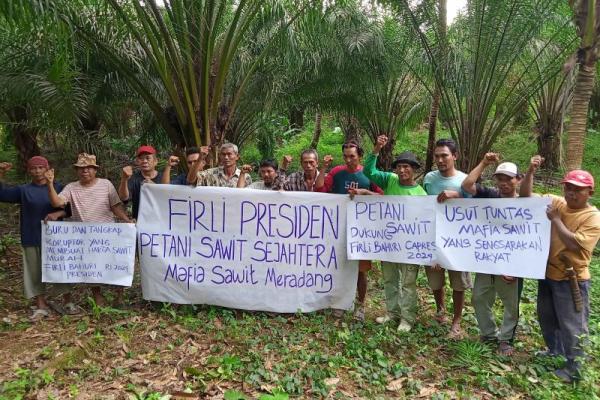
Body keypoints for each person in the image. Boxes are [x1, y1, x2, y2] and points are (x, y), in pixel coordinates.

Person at [521, 166, 600, 382]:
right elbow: (526, 196)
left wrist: (555, 220)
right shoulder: (558, 203)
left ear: (590, 192)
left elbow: (575, 244)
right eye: (568, 188)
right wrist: (530, 172)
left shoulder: (592, 217)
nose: (571, 193)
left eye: (578, 189)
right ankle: (555, 351)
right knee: (547, 317)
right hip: (549, 272)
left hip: (571, 279)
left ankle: (575, 369)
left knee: (572, 324)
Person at [461, 153, 542, 355]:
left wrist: (531, 170)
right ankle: (488, 333)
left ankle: (506, 339)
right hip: (487, 261)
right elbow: (467, 185)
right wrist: (484, 163)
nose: (504, 183)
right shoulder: (490, 195)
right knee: (479, 298)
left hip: (512, 265)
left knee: (511, 305)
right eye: (500, 178)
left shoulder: (525, 203)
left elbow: (527, 235)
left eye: (509, 179)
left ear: (518, 179)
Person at [45, 153, 132, 307]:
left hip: (107, 234)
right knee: (91, 268)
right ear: (77, 171)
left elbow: (115, 206)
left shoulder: (106, 184)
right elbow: (57, 203)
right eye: (81, 168)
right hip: (84, 237)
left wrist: (127, 220)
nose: (85, 171)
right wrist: (50, 183)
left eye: (89, 168)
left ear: (95, 170)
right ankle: (97, 297)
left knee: (116, 264)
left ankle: (119, 297)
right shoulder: (71, 188)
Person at [362, 135, 427, 332]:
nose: (402, 170)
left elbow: (425, 224)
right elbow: (368, 171)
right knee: (390, 280)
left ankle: (407, 319)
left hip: (409, 247)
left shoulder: (421, 194)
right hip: (388, 243)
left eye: (406, 167)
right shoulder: (390, 180)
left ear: (414, 169)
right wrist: (376, 149)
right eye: (399, 167)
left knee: (408, 283)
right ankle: (392, 313)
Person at [315, 141, 383, 321]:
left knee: (361, 269)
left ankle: (361, 304)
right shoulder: (337, 172)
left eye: (352, 156)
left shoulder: (368, 174)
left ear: (360, 156)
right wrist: (324, 167)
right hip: (337, 227)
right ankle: (340, 303)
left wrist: (365, 193)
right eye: (345, 156)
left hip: (362, 229)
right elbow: (320, 189)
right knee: (338, 266)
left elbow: (383, 196)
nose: (348, 160)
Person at [0, 157, 71, 319]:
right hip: (31, 234)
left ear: (48, 169)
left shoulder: (60, 187)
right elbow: (2, 194)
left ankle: (68, 301)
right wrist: (1, 173)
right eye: (33, 168)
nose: (38, 171)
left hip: (56, 238)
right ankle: (40, 304)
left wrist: (58, 213)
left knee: (61, 268)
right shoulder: (24, 190)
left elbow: (69, 209)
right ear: (29, 170)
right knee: (34, 270)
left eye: (41, 167)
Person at [423, 138, 472, 338]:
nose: (440, 160)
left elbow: (475, 207)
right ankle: (440, 311)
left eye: (444, 155)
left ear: (455, 156)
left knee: (458, 282)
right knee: (435, 280)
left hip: (458, 241)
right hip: (433, 237)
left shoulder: (465, 180)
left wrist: (456, 195)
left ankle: (457, 320)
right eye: (437, 156)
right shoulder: (429, 178)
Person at [118, 145, 162, 219]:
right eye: (141, 158)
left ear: (155, 161)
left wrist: (154, 187)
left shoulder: (163, 178)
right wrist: (124, 179)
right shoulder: (133, 178)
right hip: (140, 221)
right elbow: (123, 198)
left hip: (161, 221)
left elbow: (168, 199)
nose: (144, 161)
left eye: (148, 158)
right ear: (137, 162)